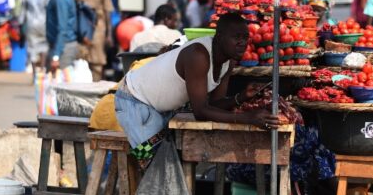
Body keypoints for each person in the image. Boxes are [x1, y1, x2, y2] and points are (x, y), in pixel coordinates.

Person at [115, 13, 278, 166]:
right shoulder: (198, 55)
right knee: (154, 167)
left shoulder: (228, 62)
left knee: (168, 167)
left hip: (159, 108)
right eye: (237, 37)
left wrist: (241, 97)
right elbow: (200, 111)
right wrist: (248, 118)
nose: (243, 43)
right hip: (134, 100)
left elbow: (214, 104)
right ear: (219, 37)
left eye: (245, 38)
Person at [71, 0, 115, 81]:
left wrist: (109, 35)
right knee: (80, 57)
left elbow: (107, 11)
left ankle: (95, 87)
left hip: (98, 27)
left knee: (97, 60)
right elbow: (71, 10)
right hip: (80, 28)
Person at [45, 0, 78, 72]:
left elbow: (62, 29)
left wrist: (56, 56)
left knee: (61, 84)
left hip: (63, 48)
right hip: (61, 46)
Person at [19, 0, 51, 78]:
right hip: (44, 23)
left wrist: (20, 26)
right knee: (44, 47)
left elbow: (22, 12)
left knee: (32, 48)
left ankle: (34, 74)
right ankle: (42, 70)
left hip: (31, 23)